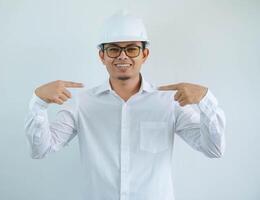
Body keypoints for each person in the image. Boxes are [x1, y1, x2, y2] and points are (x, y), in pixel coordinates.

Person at [24, 10, 226, 200]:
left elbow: (213, 149)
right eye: (113, 49)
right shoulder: (81, 103)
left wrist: (206, 100)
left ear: (144, 54)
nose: (122, 56)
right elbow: (41, 149)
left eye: (131, 48)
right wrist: (38, 103)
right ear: (102, 56)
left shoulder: (169, 102)